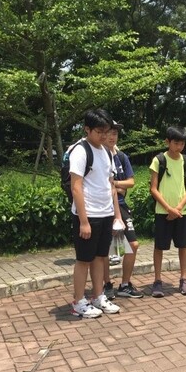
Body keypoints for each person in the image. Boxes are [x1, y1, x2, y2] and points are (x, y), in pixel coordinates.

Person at [69, 109, 123, 318]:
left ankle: (98, 296)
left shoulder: (107, 151)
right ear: (87, 129)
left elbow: (110, 184)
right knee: (84, 259)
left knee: (101, 257)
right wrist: (84, 221)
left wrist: (115, 214)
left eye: (106, 131)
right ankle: (78, 301)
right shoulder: (80, 151)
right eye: (99, 131)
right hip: (88, 214)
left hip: (105, 212)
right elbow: (76, 186)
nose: (104, 136)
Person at [149, 126, 186, 297]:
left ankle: (184, 279)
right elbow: (153, 189)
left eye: (182, 143)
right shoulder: (159, 160)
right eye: (176, 143)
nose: (179, 146)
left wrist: (177, 208)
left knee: (183, 245)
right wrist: (169, 208)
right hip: (163, 211)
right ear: (167, 142)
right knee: (159, 246)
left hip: (182, 211)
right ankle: (157, 280)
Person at [102, 123, 143, 300]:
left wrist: (116, 185)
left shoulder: (121, 157)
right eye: (109, 133)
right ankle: (106, 284)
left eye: (115, 134)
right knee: (104, 249)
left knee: (133, 245)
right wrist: (116, 187)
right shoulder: (98, 156)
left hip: (121, 205)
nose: (112, 137)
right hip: (103, 207)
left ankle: (125, 285)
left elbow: (131, 182)